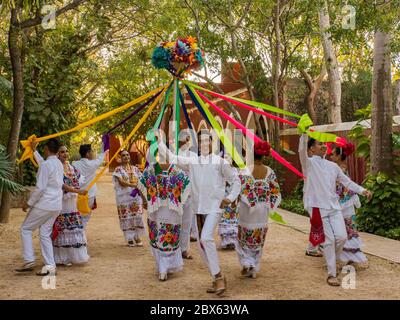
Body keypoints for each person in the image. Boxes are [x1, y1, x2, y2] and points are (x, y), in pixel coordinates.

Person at [157, 129, 240, 295]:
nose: (204, 144)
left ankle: (218, 276)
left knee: (206, 238)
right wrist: (158, 141)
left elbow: (235, 180)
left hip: (215, 207)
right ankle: (216, 279)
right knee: (202, 246)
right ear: (197, 144)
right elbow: (172, 158)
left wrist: (230, 198)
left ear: (212, 143)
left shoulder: (220, 162)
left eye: (207, 140)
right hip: (198, 209)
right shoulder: (192, 162)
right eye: (201, 141)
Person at [299, 134, 372, 286]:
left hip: (334, 207)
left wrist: (362, 190)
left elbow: (347, 182)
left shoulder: (333, 166)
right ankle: (332, 274)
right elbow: (301, 151)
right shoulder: (309, 164)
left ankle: (334, 260)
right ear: (312, 149)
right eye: (320, 144)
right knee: (329, 240)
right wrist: (304, 134)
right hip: (318, 207)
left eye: (324, 144)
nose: (324, 146)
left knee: (342, 237)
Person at [138, 154, 190, 281]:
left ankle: (163, 267)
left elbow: (139, 184)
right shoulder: (177, 171)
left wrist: (146, 201)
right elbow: (188, 187)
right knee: (168, 237)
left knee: (159, 237)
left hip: (156, 210)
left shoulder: (152, 169)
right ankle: (164, 267)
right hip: (171, 211)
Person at [16, 138, 64, 276]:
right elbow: (44, 164)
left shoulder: (47, 165)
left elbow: (40, 187)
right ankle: (50, 266)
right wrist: (34, 150)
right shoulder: (58, 164)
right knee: (44, 234)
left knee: (25, 228)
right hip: (56, 205)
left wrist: (29, 203)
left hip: (45, 204)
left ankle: (29, 259)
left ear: (47, 149)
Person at [236, 141, 281, 278]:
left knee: (244, 235)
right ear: (264, 156)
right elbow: (275, 191)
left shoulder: (246, 169)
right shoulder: (270, 172)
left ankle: (247, 262)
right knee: (258, 236)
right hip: (262, 209)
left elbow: (239, 189)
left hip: (247, 209)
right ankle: (253, 265)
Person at [330, 143, 368, 268]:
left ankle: (348, 257)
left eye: (333, 154)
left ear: (339, 156)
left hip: (344, 204)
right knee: (348, 230)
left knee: (347, 230)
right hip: (344, 202)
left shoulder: (339, 168)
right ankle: (349, 257)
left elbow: (345, 185)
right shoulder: (338, 167)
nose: (330, 156)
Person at [112, 150, 144, 247]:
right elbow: (121, 182)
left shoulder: (135, 169)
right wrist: (134, 185)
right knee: (127, 217)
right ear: (120, 158)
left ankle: (137, 236)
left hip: (135, 197)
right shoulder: (118, 170)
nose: (126, 157)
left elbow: (141, 180)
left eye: (127, 155)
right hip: (124, 198)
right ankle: (129, 238)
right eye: (123, 155)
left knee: (137, 216)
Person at [72, 144, 108, 228]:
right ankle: (81, 235)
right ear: (87, 154)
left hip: (77, 194)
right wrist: (104, 144)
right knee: (86, 217)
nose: (93, 153)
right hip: (90, 195)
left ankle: (79, 234)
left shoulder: (74, 164)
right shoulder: (93, 164)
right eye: (91, 151)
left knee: (78, 215)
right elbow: (101, 157)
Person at [177, 131, 198, 260]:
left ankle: (184, 249)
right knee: (176, 222)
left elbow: (191, 166)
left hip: (189, 193)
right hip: (175, 193)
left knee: (186, 222)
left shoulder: (193, 155)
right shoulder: (173, 153)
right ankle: (175, 249)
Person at [218, 164, 239, 250]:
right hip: (224, 197)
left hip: (232, 199)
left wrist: (234, 201)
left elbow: (237, 187)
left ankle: (232, 242)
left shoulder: (236, 171)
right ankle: (225, 241)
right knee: (224, 220)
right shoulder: (224, 168)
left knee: (232, 220)